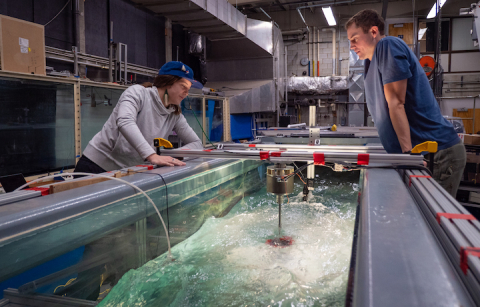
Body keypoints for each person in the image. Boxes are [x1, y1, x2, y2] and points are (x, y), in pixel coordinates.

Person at [345, 9, 466, 197]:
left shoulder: (387, 45)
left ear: (374, 32)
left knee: (429, 221)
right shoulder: (370, 62)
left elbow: (396, 102)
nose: (351, 45)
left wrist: (407, 156)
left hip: (437, 153)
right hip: (420, 154)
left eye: (355, 38)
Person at [75, 61, 203, 174]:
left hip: (130, 171)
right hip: (96, 166)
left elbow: (196, 144)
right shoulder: (138, 93)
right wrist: (152, 155)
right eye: (183, 87)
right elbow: (125, 121)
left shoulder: (174, 113)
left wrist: (172, 156)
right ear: (168, 83)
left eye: (188, 89)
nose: (186, 93)